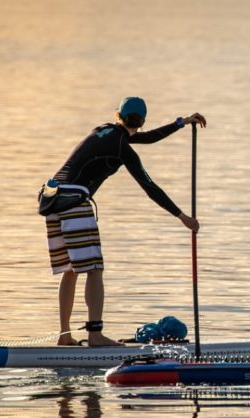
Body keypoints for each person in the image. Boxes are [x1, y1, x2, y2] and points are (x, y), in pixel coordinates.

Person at [44, 97, 206, 346]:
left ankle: (65, 336)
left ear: (117, 115)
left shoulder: (102, 131)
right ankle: (95, 335)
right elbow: (150, 186)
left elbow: (147, 138)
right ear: (141, 121)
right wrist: (182, 216)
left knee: (71, 271)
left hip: (52, 200)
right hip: (75, 203)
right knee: (94, 269)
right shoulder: (123, 148)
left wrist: (181, 122)